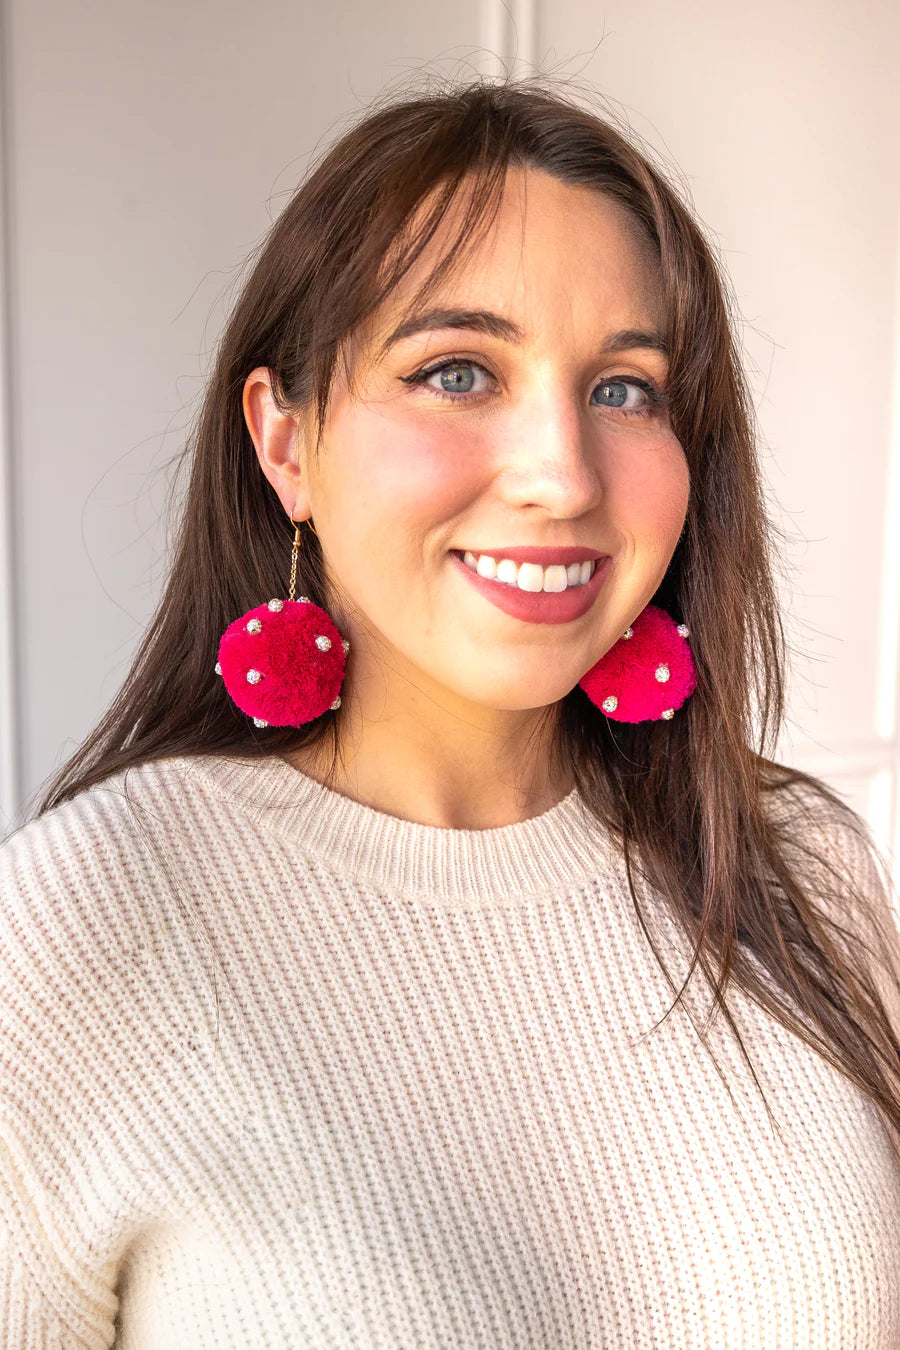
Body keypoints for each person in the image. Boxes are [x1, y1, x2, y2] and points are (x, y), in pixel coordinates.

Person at [1, 74, 899, 1349]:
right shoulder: (78, 931)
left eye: (626, 388)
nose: (559, 474)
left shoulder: (804, 875)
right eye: (458, 370)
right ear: (287, 443)